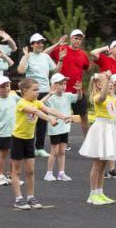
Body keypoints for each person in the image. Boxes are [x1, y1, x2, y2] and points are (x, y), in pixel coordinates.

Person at [10, 78, 72, 209]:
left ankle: (30, 197)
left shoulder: (37, 102)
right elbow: (36, 112)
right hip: (17, 139)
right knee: (16, 171)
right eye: (35, 90)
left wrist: (63, 116)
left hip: (29, 140)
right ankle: (18, 198)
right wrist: (50, 119)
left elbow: (48, 110)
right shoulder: (21, 103)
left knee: (31, 171)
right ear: (25, 91)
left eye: (38, 89)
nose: (38, 92)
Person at [78, 73, 116, 206]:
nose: (111, 83)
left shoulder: (113, 99)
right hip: (101, 130)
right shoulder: (98, 97)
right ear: (98, 84)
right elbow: (102, 96)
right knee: (97, 164)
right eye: (107, 82)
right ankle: (92, 194)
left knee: (103, 165)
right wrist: (108, 80)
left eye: (112, 82)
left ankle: (100, 192)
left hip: (110, 130)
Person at [17, 33, 56, 156]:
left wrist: (60, 58)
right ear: (32, 44)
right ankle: (28, 146)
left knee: (42, 121)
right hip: (30, 92)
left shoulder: (45, 56)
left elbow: (54, 69)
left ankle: (39, 148)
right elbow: (21, 70)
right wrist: (25, 57)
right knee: (29, 119)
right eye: (37, 42)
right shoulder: (28, 56)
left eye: (41, 42)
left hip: (44, 89)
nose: (40, 44)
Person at [47, 30, 93, 133]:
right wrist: (58, 44)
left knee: (84, 115)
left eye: (80, 39)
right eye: (76, 38)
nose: (77, 41)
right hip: (62, 91)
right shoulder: (62, 49)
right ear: (71, 38)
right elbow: (45, 55)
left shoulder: (83, 54)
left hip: (77, 90)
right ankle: (62, 142)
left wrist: (93, 59)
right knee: (61, 116)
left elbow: (87, 68)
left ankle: (87, 142)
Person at [42, 73, 75, 181]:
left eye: (64, 83)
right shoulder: (50, 98)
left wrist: (79, 90)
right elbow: (39, 104)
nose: (63, 86)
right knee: (54, 151)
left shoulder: (68, 95)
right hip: (55, 128)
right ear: (54, 85)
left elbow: (78, 97)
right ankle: (49, 173)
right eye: (60, 84)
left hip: (65, 128)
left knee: (62, 151)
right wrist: (49, 94)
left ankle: (61, 173)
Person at [0, 75, 18, 186]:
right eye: (2, 86)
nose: (6, 88)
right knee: (3, 153)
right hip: (3, 132)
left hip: (15, 131)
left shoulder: (14, 97)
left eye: (7, 85)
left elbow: (24, 104)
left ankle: (11, 175)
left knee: (14, 154)